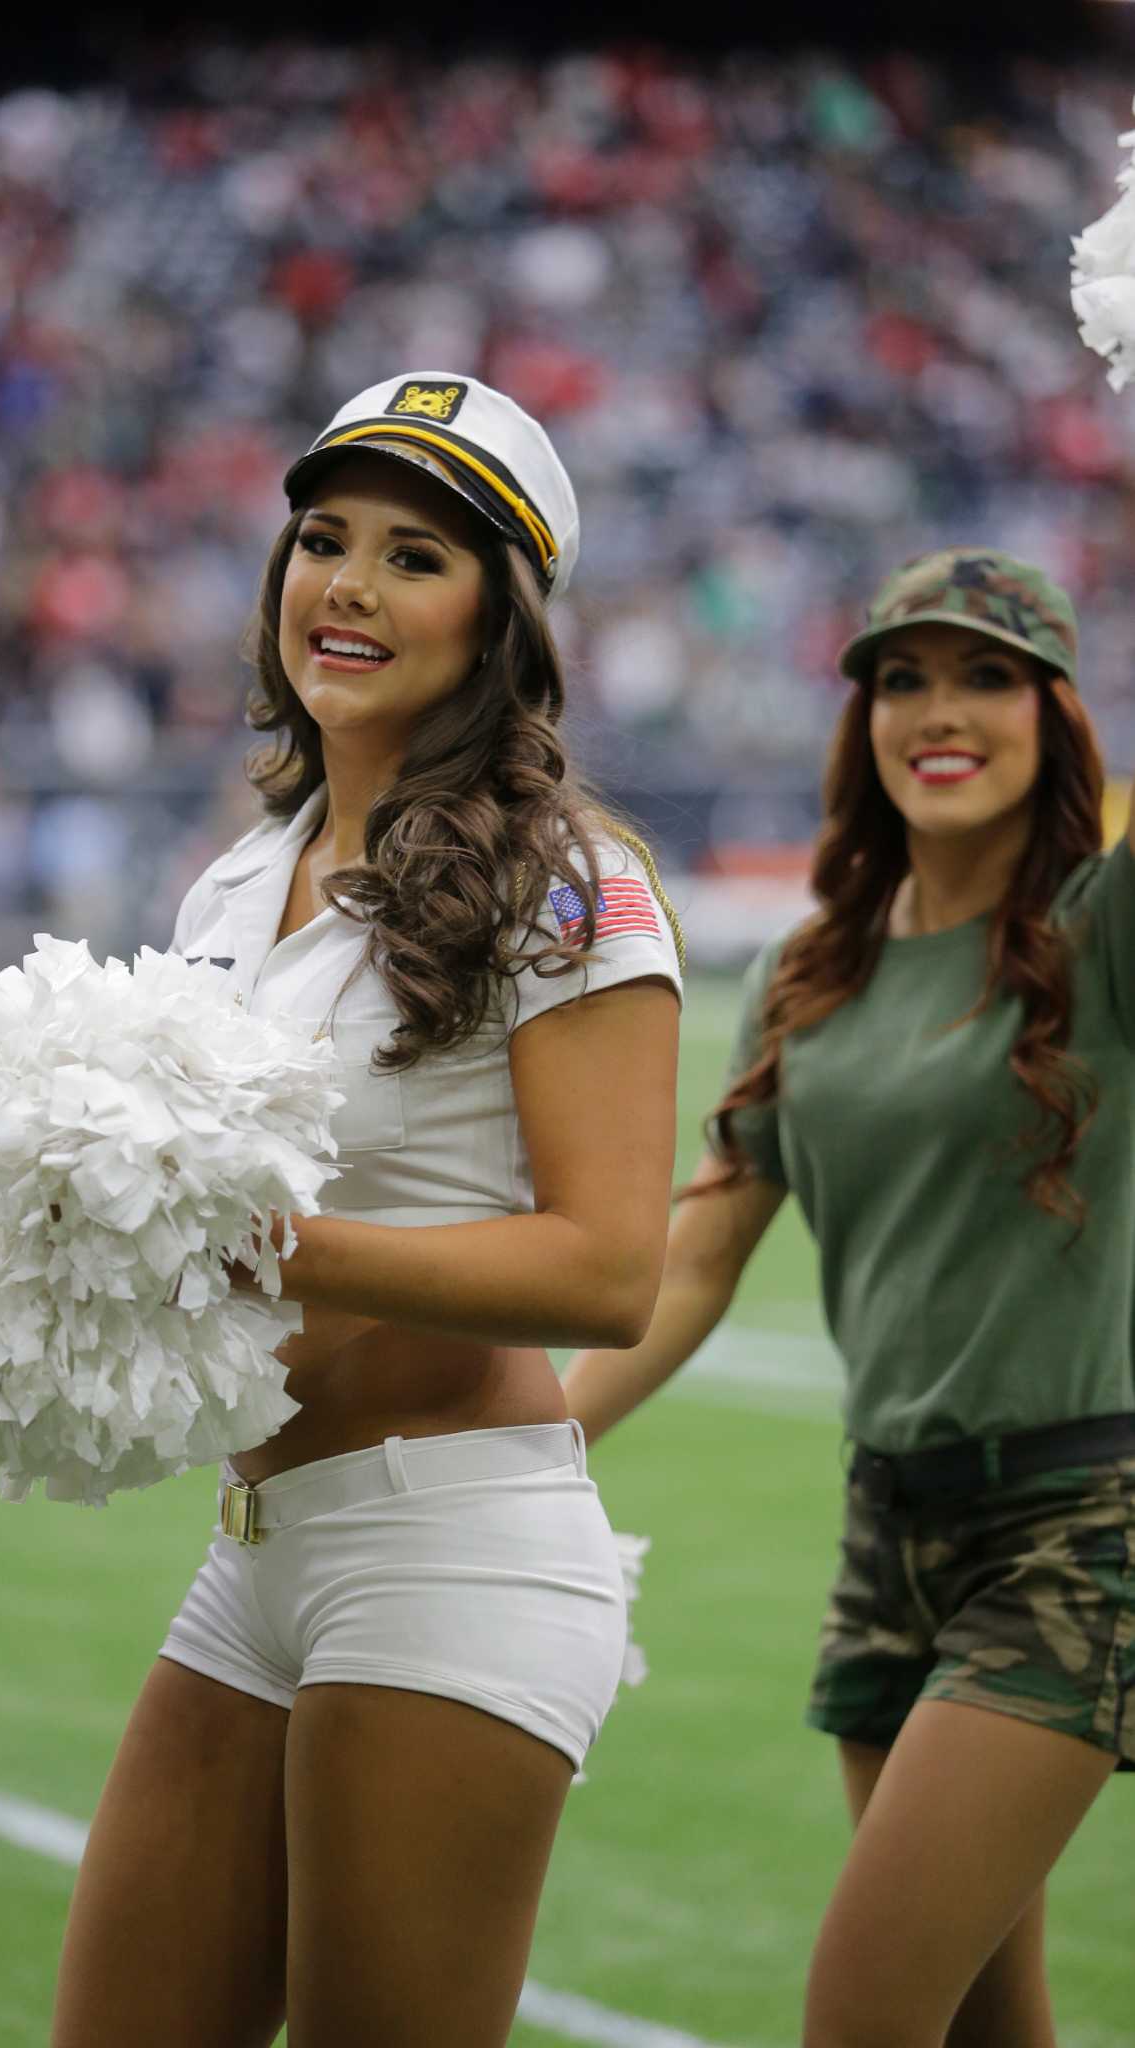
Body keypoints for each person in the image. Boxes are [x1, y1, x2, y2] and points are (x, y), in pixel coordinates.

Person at [50, 372, 684, 2048]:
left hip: (450, 1550)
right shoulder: (236, 876)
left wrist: (260, 1243)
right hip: (254, 1551)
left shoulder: (569, 877)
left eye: (416, 558)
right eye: (321, 540)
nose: (343, 585)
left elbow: (612, 1268)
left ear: (499, 622)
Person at [563, 548, 1135, 2048]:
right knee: (979, 2029)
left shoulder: (1105, 932)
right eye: (901, 679)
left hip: (1076, 1535)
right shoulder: (805, 974)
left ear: (1056, 712)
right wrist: (529, 1451)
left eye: (984, 677)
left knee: (862, 2014)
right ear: (860, 719)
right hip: (890, 1534)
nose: (937, 713)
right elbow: (693, 1260)